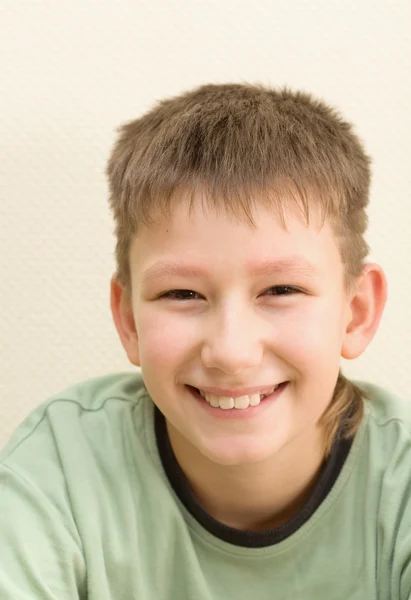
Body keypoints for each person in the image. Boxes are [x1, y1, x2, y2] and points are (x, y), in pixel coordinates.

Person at [1, 82, 408, 599]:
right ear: (128, 320)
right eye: (183, 293)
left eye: (281, 290)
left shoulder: (400, 488)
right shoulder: (62, 463)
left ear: (356, 312)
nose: (232, 353)